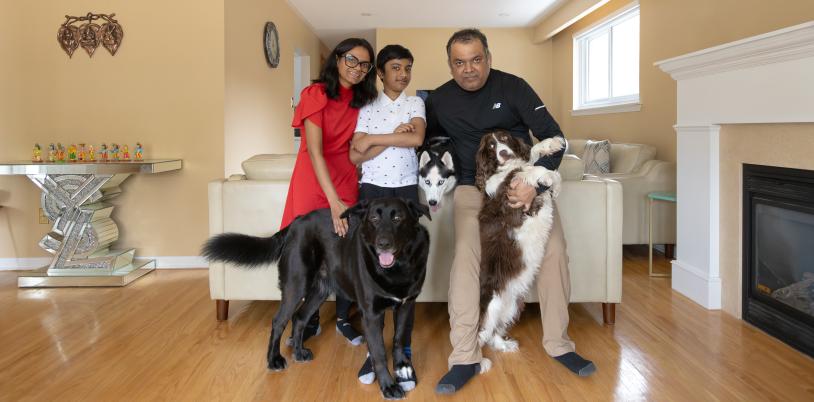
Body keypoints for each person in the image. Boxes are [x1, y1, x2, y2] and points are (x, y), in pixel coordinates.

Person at [425, 29, 596, 395]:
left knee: (554, 252)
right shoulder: (439, 100)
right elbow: (428, 141)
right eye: (459, 62)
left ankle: (559, 344)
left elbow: (555, 136)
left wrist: (536, 183)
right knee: (468, 256)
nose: (468, 69)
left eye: (475, 59)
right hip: (475, 189)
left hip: (524, 184)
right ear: (450, 65)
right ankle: (464, 356)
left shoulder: (514, 87)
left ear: (488, 57)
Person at [281, 37, 378, 345]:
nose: (357, 68)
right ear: (337, 59)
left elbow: (358, 146)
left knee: (345, 253)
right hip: (313, 178)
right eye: (351, 60)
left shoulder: (363, 101)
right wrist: (334, 202)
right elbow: (314, 150)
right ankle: (306, 319)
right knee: (309, 250)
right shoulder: (315, 93)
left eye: (364, 64)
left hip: (345, 176)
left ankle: (342, 320)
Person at [349, 44, 426, 389]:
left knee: (405, 272)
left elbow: (418, 137)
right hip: (372, 191)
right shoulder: (366, 106)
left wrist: (373, 141)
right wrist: (397, 135)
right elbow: (356, 152)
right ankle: (374, 351)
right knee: (371, 274)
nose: (403, 74)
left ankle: (403, 351)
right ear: (380, 73)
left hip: (406, 191)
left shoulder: (415, 104)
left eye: (407, 68)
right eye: (395, 68)